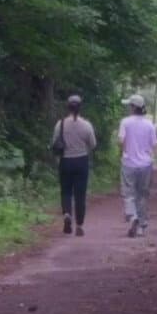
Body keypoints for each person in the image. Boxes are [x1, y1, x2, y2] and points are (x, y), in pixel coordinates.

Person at [117, 94, 157, 237]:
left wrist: (123, 152)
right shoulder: (149, 124)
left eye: (130, 105)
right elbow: (155, 146)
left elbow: (120, 140)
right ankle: (141, 227)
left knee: (129, 194)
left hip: (129, 163)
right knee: (142, 195)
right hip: (146, 164)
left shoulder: (125, 122)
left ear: (133, 107)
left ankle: (133, 216)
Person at [53, 94, 96, 236]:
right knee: (80, 194)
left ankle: (66, 213)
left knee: (66, 191)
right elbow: (93, 144)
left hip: (65, 161)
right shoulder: (86, 125)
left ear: (68, 107)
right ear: (80, 107)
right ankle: (79, 225)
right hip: (81, 161)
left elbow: (55, 142)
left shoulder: (61, 124)